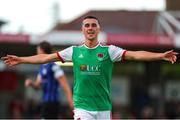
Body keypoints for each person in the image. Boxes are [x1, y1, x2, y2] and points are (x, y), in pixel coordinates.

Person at [1, 16, 178, 120]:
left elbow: (135, 54)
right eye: (87, 25)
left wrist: (160, 55)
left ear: (99, 28)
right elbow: (46, 57)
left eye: (94, 25)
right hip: (82, 107)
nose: (90, 28)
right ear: (82, 30)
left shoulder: (110, 51)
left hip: (103, 108)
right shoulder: (74, 51)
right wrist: (21, 59)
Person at [24, 41, 73, 119]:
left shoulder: (54, 66)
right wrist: (31, 83)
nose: (37, 52)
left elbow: (64, 85)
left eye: (38, 50)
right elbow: (37, 86)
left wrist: (70, 102)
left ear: (41, 50)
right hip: (45, 101)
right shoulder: (42, 67)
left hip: (53, 102)